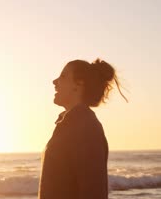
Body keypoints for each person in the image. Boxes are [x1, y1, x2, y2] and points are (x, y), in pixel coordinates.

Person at [38, 58, 128, 199]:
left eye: (63, 76)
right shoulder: (70, 123)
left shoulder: (86, 127)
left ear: (78, 84)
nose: (55, 82)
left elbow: (94, 191)